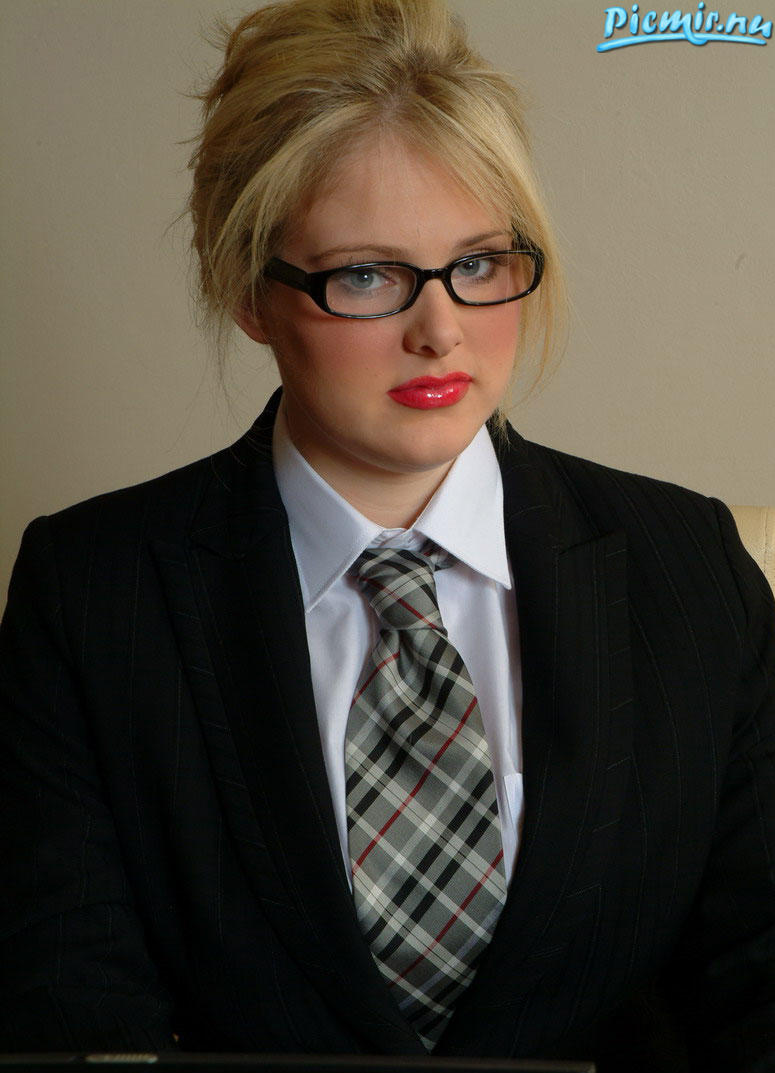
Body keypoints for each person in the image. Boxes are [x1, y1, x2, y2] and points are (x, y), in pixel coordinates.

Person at [1, 0, 774, 1069]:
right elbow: (70, 1005)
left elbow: (759, 979)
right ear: (248, 291)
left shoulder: (692, 567)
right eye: (365, 274)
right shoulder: (91, 592)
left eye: (480, 263)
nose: (440, 329)